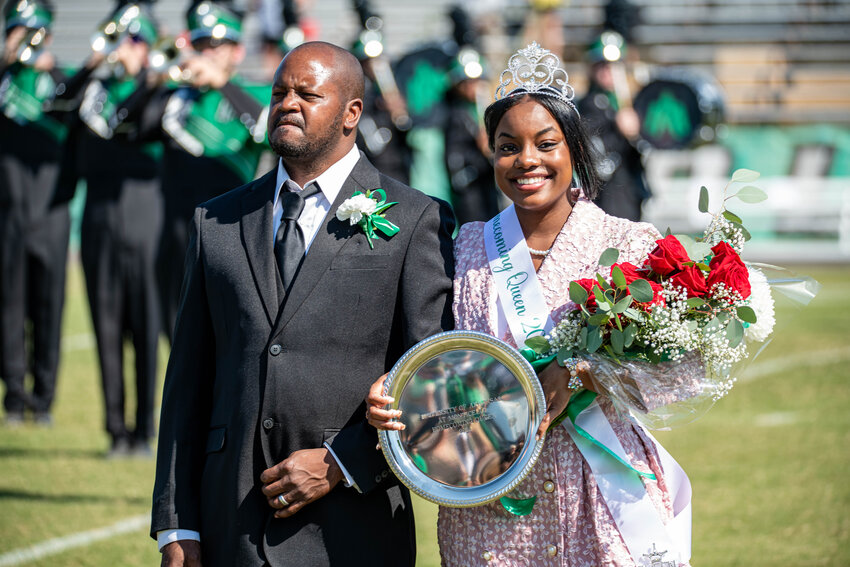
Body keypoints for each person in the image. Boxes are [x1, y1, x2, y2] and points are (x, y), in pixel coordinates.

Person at [367, 43, 691, 566]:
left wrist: (583, 375)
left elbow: (675, 365)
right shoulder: (467, 245)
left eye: (546, 143)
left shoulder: (629, 243)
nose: (526, 161)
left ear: (574, 148)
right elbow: (440, 354)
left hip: (602, 483)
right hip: (491, 489)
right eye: (507, 146)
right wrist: (398, 385)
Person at [151, 41, 454, 566]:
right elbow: (187, 382)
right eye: (279, 92)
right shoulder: (216, 222)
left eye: (307, 93)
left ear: (351, 114)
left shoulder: (414, 220)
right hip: (231, 526)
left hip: (351, 532)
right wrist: (177, 523)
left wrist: (341, 463)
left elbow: (433, 381)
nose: (287, 103)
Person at [112, 0, 271, 341]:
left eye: (216, 46)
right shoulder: (177, 99)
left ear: (237, 52)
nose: (206, 54)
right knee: (178, 341)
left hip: (231, 237)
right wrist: (152, 81)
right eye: (200, 45)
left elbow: (266, 133)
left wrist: (223, 84)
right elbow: (121, 127)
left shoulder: (253, 93)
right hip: (175, 238)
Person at [66, 1, 163, 457]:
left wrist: (148, 78)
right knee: (105, 327)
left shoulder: (157, 92)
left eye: (134, 41)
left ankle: (144, 429)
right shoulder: (96, 90)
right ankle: (115, 429)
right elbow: (60, 104)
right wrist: (94, 59)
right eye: (123, 40)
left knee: (145, 325)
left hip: (147, 219)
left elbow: (140, 125)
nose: (125, 49)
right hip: (100, 219)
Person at [0, 0, 98, 426]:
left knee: (48, 306)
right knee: (8, 306)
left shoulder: (60, 82)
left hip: (52, 212)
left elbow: (77, 111)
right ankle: (13, 397)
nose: (27, 40)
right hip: (6, 213)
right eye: (19, 31)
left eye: (34, 32)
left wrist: (51, 68)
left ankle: (44, 399)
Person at [578, 31, 650, 222]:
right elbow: (593, 149)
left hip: (631, 187)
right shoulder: (588, 104)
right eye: (601, 65)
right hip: (607, 192)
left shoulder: (631, 103)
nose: (607, 71)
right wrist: (618, 128)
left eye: (613, 66)